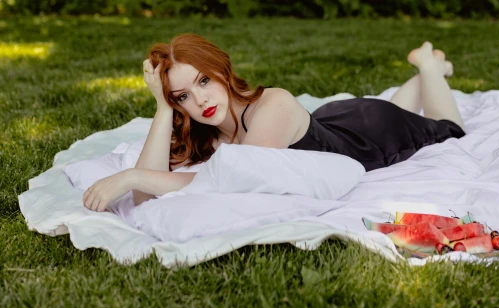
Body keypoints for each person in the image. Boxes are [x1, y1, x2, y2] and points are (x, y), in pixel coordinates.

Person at [82, 34, 465, 211]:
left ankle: (429, 66)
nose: (199, 100)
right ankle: (420, 77)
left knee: (448, 128)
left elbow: (228, 180)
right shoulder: (209, 130)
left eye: (203, 81)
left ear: (222, 71)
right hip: (333, 122)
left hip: (372, 134)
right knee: (388, 104)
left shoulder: (273, 105)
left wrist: (131, 176)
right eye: (182, 96)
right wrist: (162, 107)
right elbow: (146, 201)